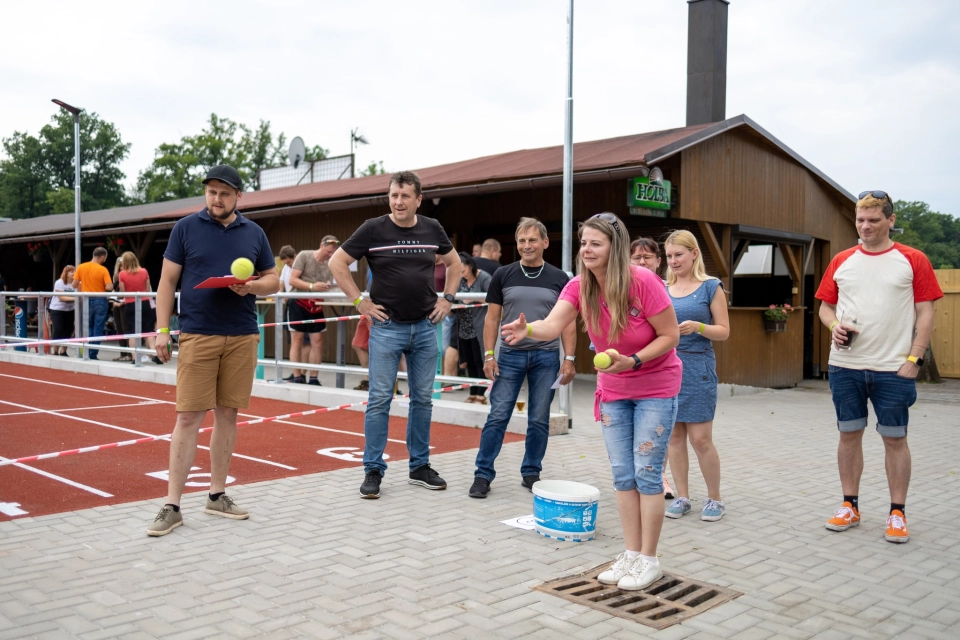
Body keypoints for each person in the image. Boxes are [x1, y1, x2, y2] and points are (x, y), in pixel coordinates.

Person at [501, 212, 681, 591]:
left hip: (654, 386)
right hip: (614, 391)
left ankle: (649, 559)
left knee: (647, 474)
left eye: (595, 243)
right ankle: (631, 554)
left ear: (614, 249)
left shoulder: (643, 281)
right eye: (583, 243)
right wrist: (528, 328)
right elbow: (552, 325)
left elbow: (670, 336)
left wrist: (632, 361)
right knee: (622, 475)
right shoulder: (579, 286)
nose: (586, 249)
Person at [147, 164, 279, 537]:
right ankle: (172, 505)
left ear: (239, 195)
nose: (216, 198)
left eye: (224, 192)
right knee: (188, 417)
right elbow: (167, 282)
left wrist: (250, 288)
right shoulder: (185, 228)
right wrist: (162, 329)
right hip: (197, 335)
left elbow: (272, 281)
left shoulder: (254, 233)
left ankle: (216, 495)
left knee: (228, 415)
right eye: (211, 191)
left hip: (241, 334)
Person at [816, 191, 942, 544]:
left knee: (895, 439)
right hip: (845, 366)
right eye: (860, 220)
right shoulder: (842, 260)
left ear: (890, 220)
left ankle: (897, 512)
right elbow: (826, 308)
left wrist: (914, 359)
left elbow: (926, 312)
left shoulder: (912, 259)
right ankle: (849, 505)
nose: (865, 226)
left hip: (893, 369)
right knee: (848, 435)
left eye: (873, 220)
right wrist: (833, 326)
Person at [328, 170, 461, 499]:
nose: (398, 201)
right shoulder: (373, 229)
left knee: (423, 402)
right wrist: (360, 301)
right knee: (379, 402)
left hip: (426, 327)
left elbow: (455, 265)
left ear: (418, 199)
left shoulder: (432, 228)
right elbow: (337, 263)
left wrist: (448, 299)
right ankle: (373, 469)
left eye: (405, 196)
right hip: (387, 328)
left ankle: (419, 467)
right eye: (393, 195)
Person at [469, 217, 577, 498]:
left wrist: (570, 359)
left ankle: (531, 472)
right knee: (498, 416)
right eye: (521, 240)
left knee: (539, 419)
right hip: (510, 358)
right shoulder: (503, 275)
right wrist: (489, 355)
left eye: (532, 240)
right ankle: (482, 475)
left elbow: (567, 322)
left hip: (547, 357)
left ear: (545, 242)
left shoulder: (559, 278)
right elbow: (491, 320)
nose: (526, 245)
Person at [662, 230, 730, 522]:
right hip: (667, 368)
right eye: (669, 256)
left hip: (698, 367)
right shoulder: (662, 287)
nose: (674, 261)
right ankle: (683, 497)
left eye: (679, 254)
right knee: (675, 438)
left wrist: (699, 327)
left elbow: (724, 331)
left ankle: (715, 498)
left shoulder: (710, 287)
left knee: (701, 439)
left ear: (694, 254)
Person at [630, 237, 675, 501]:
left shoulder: (668, 290)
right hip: (625, 378)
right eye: (636, 257)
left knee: (659, 435)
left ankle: (660, 478)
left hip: (662, 374)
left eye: (648, 257)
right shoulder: (620, 290)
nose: (642, 262)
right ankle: (638, 483)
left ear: (659, 262)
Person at [287, 236, 339, 385]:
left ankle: (314, 378)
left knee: (317, 341)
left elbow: (329, 282)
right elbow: (292, 279)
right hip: (298, 302)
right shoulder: (305, 255)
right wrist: (311, 286)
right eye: (329, 250)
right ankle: (297, 376)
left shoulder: (330, 264)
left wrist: (328, 286)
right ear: (321, 245)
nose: (331, 254)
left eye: (333, 251)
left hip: (316, 305)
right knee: (297, 340)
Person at [455, 252, 492, 403]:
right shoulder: (460, 280)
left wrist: (474, 298)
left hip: (479, 326)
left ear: (470, 266)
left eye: (463, 270)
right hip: (464, 327)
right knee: (469, 362)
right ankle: (473, 392)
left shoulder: (484, 277)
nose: (461, 274)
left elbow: (493, 296)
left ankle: (481, 395)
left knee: (479, 361)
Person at [118, 251, 160, 364]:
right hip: (144, 302)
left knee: (132, 331)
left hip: (130, 303)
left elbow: (123, 292)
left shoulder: (122, 274)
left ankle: (135, 357)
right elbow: (147, 289)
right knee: (148, 329)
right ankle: (154, 354)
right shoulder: (144, 271)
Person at [72, 247, 113, 360]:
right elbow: (109, 286)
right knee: (98, 328)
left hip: (86, 300)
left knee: (88, 326)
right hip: (100, 300)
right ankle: (93, 353)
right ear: (102, 257)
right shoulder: (103, 269)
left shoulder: (81, 267)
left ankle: (88, 350)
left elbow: (74, 285)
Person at [277, 245, 297, 381]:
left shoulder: (300, 264)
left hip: (299, 302)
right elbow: (281, 282)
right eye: (285, 263)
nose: (288, 265)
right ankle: (296, 372)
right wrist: (281, 294)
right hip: (290, 303)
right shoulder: (285, 268)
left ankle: (301, 372)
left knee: (303, 341)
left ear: (294, 257)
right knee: (293, 340)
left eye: (289, 262)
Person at [49, 265, 76, 356]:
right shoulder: (59, 282)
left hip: (70, 309)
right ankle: (55, 350)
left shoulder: (76, 284)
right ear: (66, 273)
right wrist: (75, 299)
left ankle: (63, 350)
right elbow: (61, 297)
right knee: (58, 329)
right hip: (57, 308)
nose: (74, 273)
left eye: (75, 271)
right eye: (71, 271)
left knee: (69, 329)